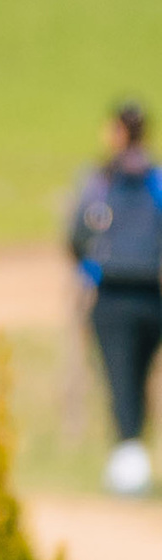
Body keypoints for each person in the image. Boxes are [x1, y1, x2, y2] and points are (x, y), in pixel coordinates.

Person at [70, 101, 162, 493]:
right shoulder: (156, 180)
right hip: (152, 297)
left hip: (110, 297)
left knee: (119, 376)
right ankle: (133, 455)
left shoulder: (99, 181)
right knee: (138, 376)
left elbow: (76, 236)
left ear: (116, 132)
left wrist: (89, 272)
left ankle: (128, 460)